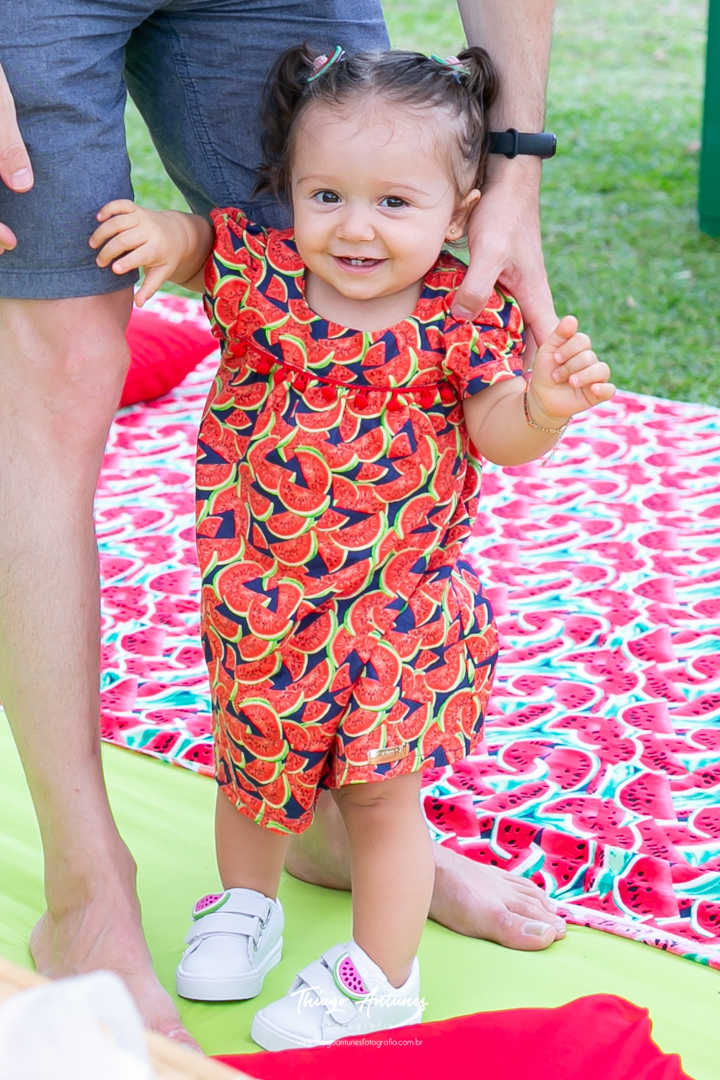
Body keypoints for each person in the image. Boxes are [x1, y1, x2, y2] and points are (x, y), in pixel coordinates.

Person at [0, 0, 561, 1047]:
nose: (353, 227)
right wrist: (175, 238)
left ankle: (352, 879)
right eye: (329, 202)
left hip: (389, 615)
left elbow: (500, 423)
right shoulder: (269, 272)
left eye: (393, 204)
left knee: (369, 132)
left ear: (455, 211)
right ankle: (93, 893)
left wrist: (517, 159)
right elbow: (228, 252)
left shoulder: (450, 310)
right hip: (270, 600)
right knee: (59, 366)